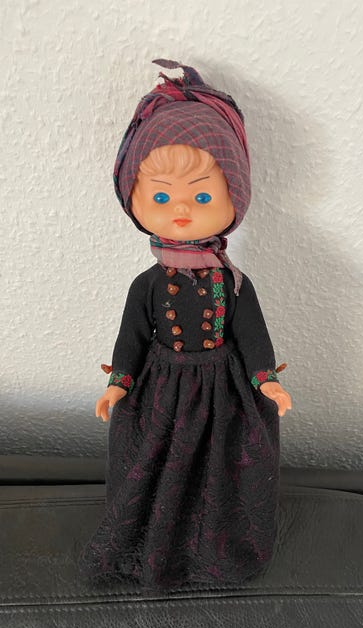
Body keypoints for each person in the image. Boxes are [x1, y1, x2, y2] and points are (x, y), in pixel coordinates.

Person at [80, 59, 291, 588]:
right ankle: (156, 546)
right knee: (153, 465)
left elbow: (252, 335)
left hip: (221, 391)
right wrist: (117, 383)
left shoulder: (232, 283)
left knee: (217, 470)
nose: (180, 210)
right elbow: (131, 337)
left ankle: (211, 550)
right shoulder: (147, 285)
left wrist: (266, 380)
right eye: (160, 196)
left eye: (201, 195)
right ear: (132, 197)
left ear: (233, 196)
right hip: (162, 388)